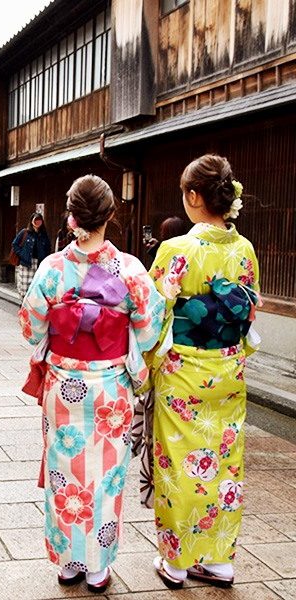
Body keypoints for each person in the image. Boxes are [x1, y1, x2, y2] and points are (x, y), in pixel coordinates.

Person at [18, 175, 164, 593]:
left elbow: (30, 328)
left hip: (64, 386)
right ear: (111, 216)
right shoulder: (130, 269)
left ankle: (68, 563)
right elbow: (151, 329)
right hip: (110, 390)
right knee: (106, 477)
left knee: (65, 473)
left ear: (70, 216)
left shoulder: (52, 268)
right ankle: (98, 567)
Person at [148, 155, 260, 590]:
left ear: (194, 197)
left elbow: (154, 315)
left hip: (183, 373)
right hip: (228, 369)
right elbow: (246, 312)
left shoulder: (176, 250)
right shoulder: (244, 249)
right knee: (224, 463)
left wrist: (145, 366)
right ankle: (219, 561)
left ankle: (176, 562)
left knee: (178, 463)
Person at [12, 213, 52, 297]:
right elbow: (15, 244)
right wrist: (22, 254)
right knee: (24, 287)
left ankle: (33, 305)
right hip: (26, 262)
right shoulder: (25, 232)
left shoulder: (43, 235)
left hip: (39, 263)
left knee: (37, 286)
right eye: (35, 220)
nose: (37, 222)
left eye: (39, 220)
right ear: (31, 221)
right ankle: (23, 304)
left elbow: (48, 248)